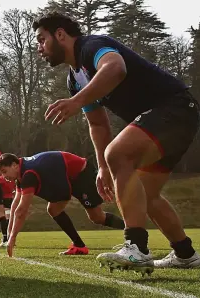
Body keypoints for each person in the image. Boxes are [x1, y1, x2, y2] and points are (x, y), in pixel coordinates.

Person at [34, 12, 200, 272]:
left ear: (60, 34)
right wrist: (101, 166)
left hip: (175, 108)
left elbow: (115, 68)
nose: (39, 48)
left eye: (41, 40)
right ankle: (185, 254)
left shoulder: (91, 47)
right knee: (147, 194)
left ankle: (136, 247)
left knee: (119, 154)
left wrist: (76, 103)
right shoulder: (74, 79)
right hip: (174, 119)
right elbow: (98, 124)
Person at [0, 152, 125, 257]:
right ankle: (79, 246)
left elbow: (22, 210)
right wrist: (9, 235)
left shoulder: (28, 174)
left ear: (14, 165)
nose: (3, 176)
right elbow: (15, 206)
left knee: (97, 217)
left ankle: (132, 232)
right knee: (54, 209)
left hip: (82, 174)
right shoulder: (22, 173)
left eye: (4, 171)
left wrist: (12, 238)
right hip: (69, 178)